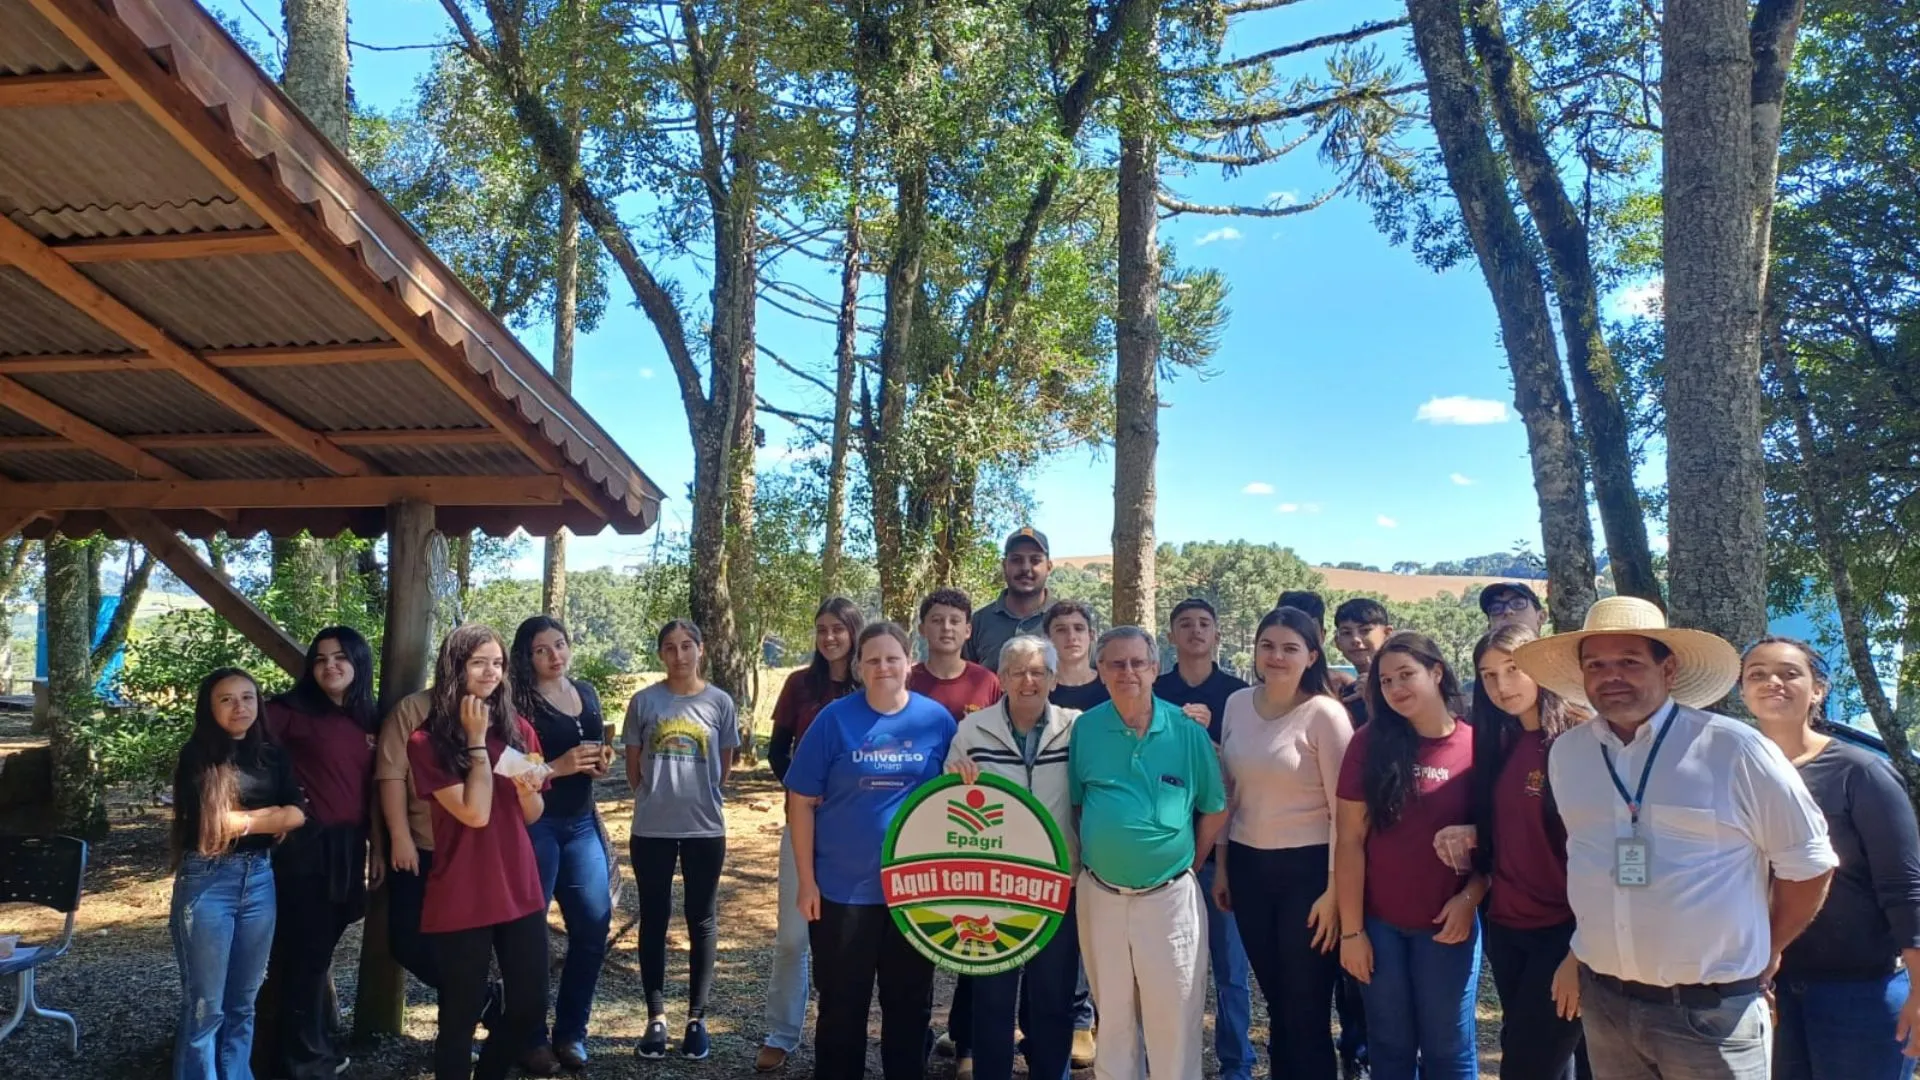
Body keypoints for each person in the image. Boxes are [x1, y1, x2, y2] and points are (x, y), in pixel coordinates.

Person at [1513, 596, 1838, 1080]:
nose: (1611, 676)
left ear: (1668, 670)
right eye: (1596, 664)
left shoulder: (1734, 749)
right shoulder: (1568, 754)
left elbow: (1809, 864)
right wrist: (1578, 953)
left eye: (1629, 661)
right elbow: (1590, 864)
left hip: (1710, 1015)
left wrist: (1768, 948)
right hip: (1606, 1005)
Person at [1741, 636, 1920, 1079]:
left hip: (1859, 993)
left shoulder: (1860, 773)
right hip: (1763, 989)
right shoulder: (1733, 771)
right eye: (1757, 674)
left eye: (1789, 673)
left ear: (1818, 690)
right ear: (1742, 691)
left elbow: (1905, 886)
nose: (1773, 683)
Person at [787, 622, 957, 1080]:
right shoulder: (834, 720)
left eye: (892, 658)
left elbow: (953, 798)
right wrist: (807, 881)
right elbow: (801, 802)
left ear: (909, 662)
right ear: (859, 668)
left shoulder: (937, 720)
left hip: (913, 892)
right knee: (842, 1008)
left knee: (909, 1007)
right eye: (873, 659)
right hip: (843, 891)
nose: (883, 667)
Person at [1071, 625, 1228, 1080]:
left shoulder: (1186, 732)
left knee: (1174, 1018)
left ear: (1156, 668)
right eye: (1116, 663)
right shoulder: (1087, 729)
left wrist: (1184, 867)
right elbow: (1079, 804)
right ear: (1100, 670)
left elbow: (1214, 810)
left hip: (1169, 899)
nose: (1128, 672)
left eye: (1138, 662)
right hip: (1101, 896)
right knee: (1113, 1017)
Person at [1214, 607, 1354, 1080]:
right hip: (1250, 869)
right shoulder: (1236, 705)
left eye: (1290, 648)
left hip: (1311, 872)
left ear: (1312, 655)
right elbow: (1229, 795)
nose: (1276, 656)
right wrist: (1226, 866)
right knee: (1276, 1001)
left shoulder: (1325, 714)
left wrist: (1336, 892)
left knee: (1306, 1005)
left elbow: (1346, 813)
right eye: (1267, 646)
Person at [405, 624, 551, 1080]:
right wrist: (475, 741)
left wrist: (529, 790)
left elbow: (532, 813)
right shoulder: (426, 742)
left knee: (529, 1006)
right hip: (463, 887)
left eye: (498, 663)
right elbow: (475, 813)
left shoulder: (520, 729)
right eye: (478, 662)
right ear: (455, 668)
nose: (491, 672)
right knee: (459, 1016)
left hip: (517, 883)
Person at [1335, 632, 1482, 1080]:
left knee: (1448, 1051)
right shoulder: (1368, 743)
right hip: (1380, 927)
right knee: (1390, 1047)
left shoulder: (1477, 747)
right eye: (1385, 680)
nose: (1396, 688)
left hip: (1448, 927)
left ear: (1436, 672)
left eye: (1407, 675)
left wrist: (1470, 898)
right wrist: (1353, 932)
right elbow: (1348, 842)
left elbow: (1497, 844)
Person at [944, 635, 1082, 1080]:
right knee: (991, 999)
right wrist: (954, 783)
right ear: (1001, 678)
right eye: (1018, 671)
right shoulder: (972, 730)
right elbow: (947, 806)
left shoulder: (1077, 728)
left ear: (1054, 679)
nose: (1029, 680)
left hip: (1059, 883)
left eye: (1039, 671)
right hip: (992, 887)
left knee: (1052, 997)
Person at [1461, 626, 1589, 1080]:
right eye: (1488, 675)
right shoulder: (1498, 741)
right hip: (1508, 926)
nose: (1501, 685)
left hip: (1566, 932)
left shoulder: (1582, 738)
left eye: (1513, 669)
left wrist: (1581, 952)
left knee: (1527, 1065)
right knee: (1541, 1055)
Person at [170, 668, 306, 1080]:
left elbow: (299, 813)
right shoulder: (198, 757)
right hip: (208, 882)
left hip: (260, 881)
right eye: (226, 699)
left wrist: (253, 818)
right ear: (209, 708)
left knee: (243, 1002)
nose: (239, 707)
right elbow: (218, 825)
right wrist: (269, 817)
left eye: (247, 697)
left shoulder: (272, 755)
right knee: (205, 1005)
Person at [259, 629, 377, 1080]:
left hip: (350, 846)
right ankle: (302, 1061)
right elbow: (243, 755)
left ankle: (303, 1046)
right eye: (321, 658)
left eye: (341, 657)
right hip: (304, 849)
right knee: (302, 957)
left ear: (359, 663)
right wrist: (280, 808)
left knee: (318, 952)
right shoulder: (289, 712)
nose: (330, 666)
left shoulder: (369, 717)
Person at [622, 620, 739, 1060]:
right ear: (660, 655)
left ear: (700, 650)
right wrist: (655, 796)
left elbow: (724, 765)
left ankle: (696, 1019)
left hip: (705, 828)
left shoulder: (719, 702)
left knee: (701, 919)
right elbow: (634, 767)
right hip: (651, 828)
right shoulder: (645, 701)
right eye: (669, 648)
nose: (679, 655)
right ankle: (655, 1018)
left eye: (687, 646)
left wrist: (699, 793)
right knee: (654, 917)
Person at [758, 596, 865, 1073]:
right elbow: (778, 752)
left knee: (855, 942)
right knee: (792, 938)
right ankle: (781, 1033)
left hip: (861, 836)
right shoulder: (801, 684)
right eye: (821, 629)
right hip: (804, 825)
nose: (829, 637)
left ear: (854, 632)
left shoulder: (872, 683)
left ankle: (851, 1029)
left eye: (838, 628)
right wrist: (806, 790)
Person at [1151, 597, 1255, 1080]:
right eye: (1185, 624)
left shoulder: (1237, 695)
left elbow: (1243, 772)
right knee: (1167, 971)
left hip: (1223, 847)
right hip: (1165, 849)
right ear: (1170, 635)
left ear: (1216, 634)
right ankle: (1171, 1061)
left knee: (1231, 970)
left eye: (1204, 624)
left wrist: (1208, 745)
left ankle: (1236, 1063)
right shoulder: (1155, 689)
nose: (1195, 631)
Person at [510, 616, 613, 1071]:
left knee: (592, 928)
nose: (555, 656)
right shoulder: (516, 702)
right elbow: (511, 769)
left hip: (581, 823)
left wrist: (599, 760)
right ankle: (529, 1038)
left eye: (560, 645)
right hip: (537, 826)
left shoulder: (585, 692)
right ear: (525, 657)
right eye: (542, 650)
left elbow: (591, 748)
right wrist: (558, 766)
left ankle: (571, 1033)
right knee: (530, 935)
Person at [912, 587, 1003, 1076]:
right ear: (924, 628)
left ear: (969, 631)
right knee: (923, 934)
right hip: (919, 827)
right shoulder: (907, 681)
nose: (946, 628)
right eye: (937, 619)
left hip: (974, 828)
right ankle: (920, 1032)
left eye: (955, 621)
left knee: (974, 934)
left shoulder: (988, 682)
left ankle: (966, 1042)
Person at [964, 527, 1054, 666]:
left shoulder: (1068, 622)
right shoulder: (979, 622)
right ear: (1004, 565)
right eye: (1016, 560)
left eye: (1035, 560)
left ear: (1048, 567)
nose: (1025, 568)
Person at [1279, 589, 1354, 696]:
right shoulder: (1255, 695)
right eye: (1291, 632)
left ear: (1323, 635)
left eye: (1309, 632)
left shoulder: (1345, 687)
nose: (1301, 640)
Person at [1045, 599, 1109, 713]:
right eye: (1061, 630)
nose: (1071, 637)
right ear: (1047, 638)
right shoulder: (1039, 689)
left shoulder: (1111, 685)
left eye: (1079, 628)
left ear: (1091, 635)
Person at [1480, 582, 1547, 635]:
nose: (1507, 611)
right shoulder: (1482, 652)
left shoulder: (1555, 651)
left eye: (1518, 604)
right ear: (1490, 627)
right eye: (1496, 608)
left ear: (1541, 617)